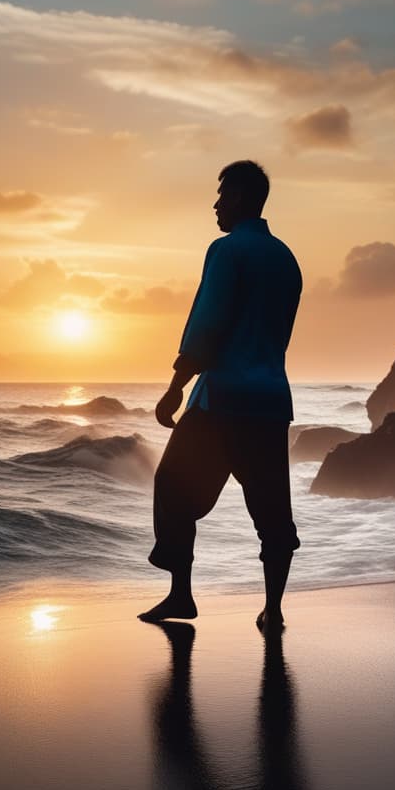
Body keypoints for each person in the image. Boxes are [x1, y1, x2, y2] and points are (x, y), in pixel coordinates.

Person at [139, 160, 302, 631]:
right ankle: (273, 609)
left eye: (224, 195)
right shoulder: (286, 259)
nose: (216, 204)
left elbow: (207, 325)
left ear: (246, 199)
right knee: (273, 514)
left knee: (171, 485)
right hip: (271, 402)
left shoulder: (227, 251)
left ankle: (181, 594)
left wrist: (175, 386)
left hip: (222, 401)